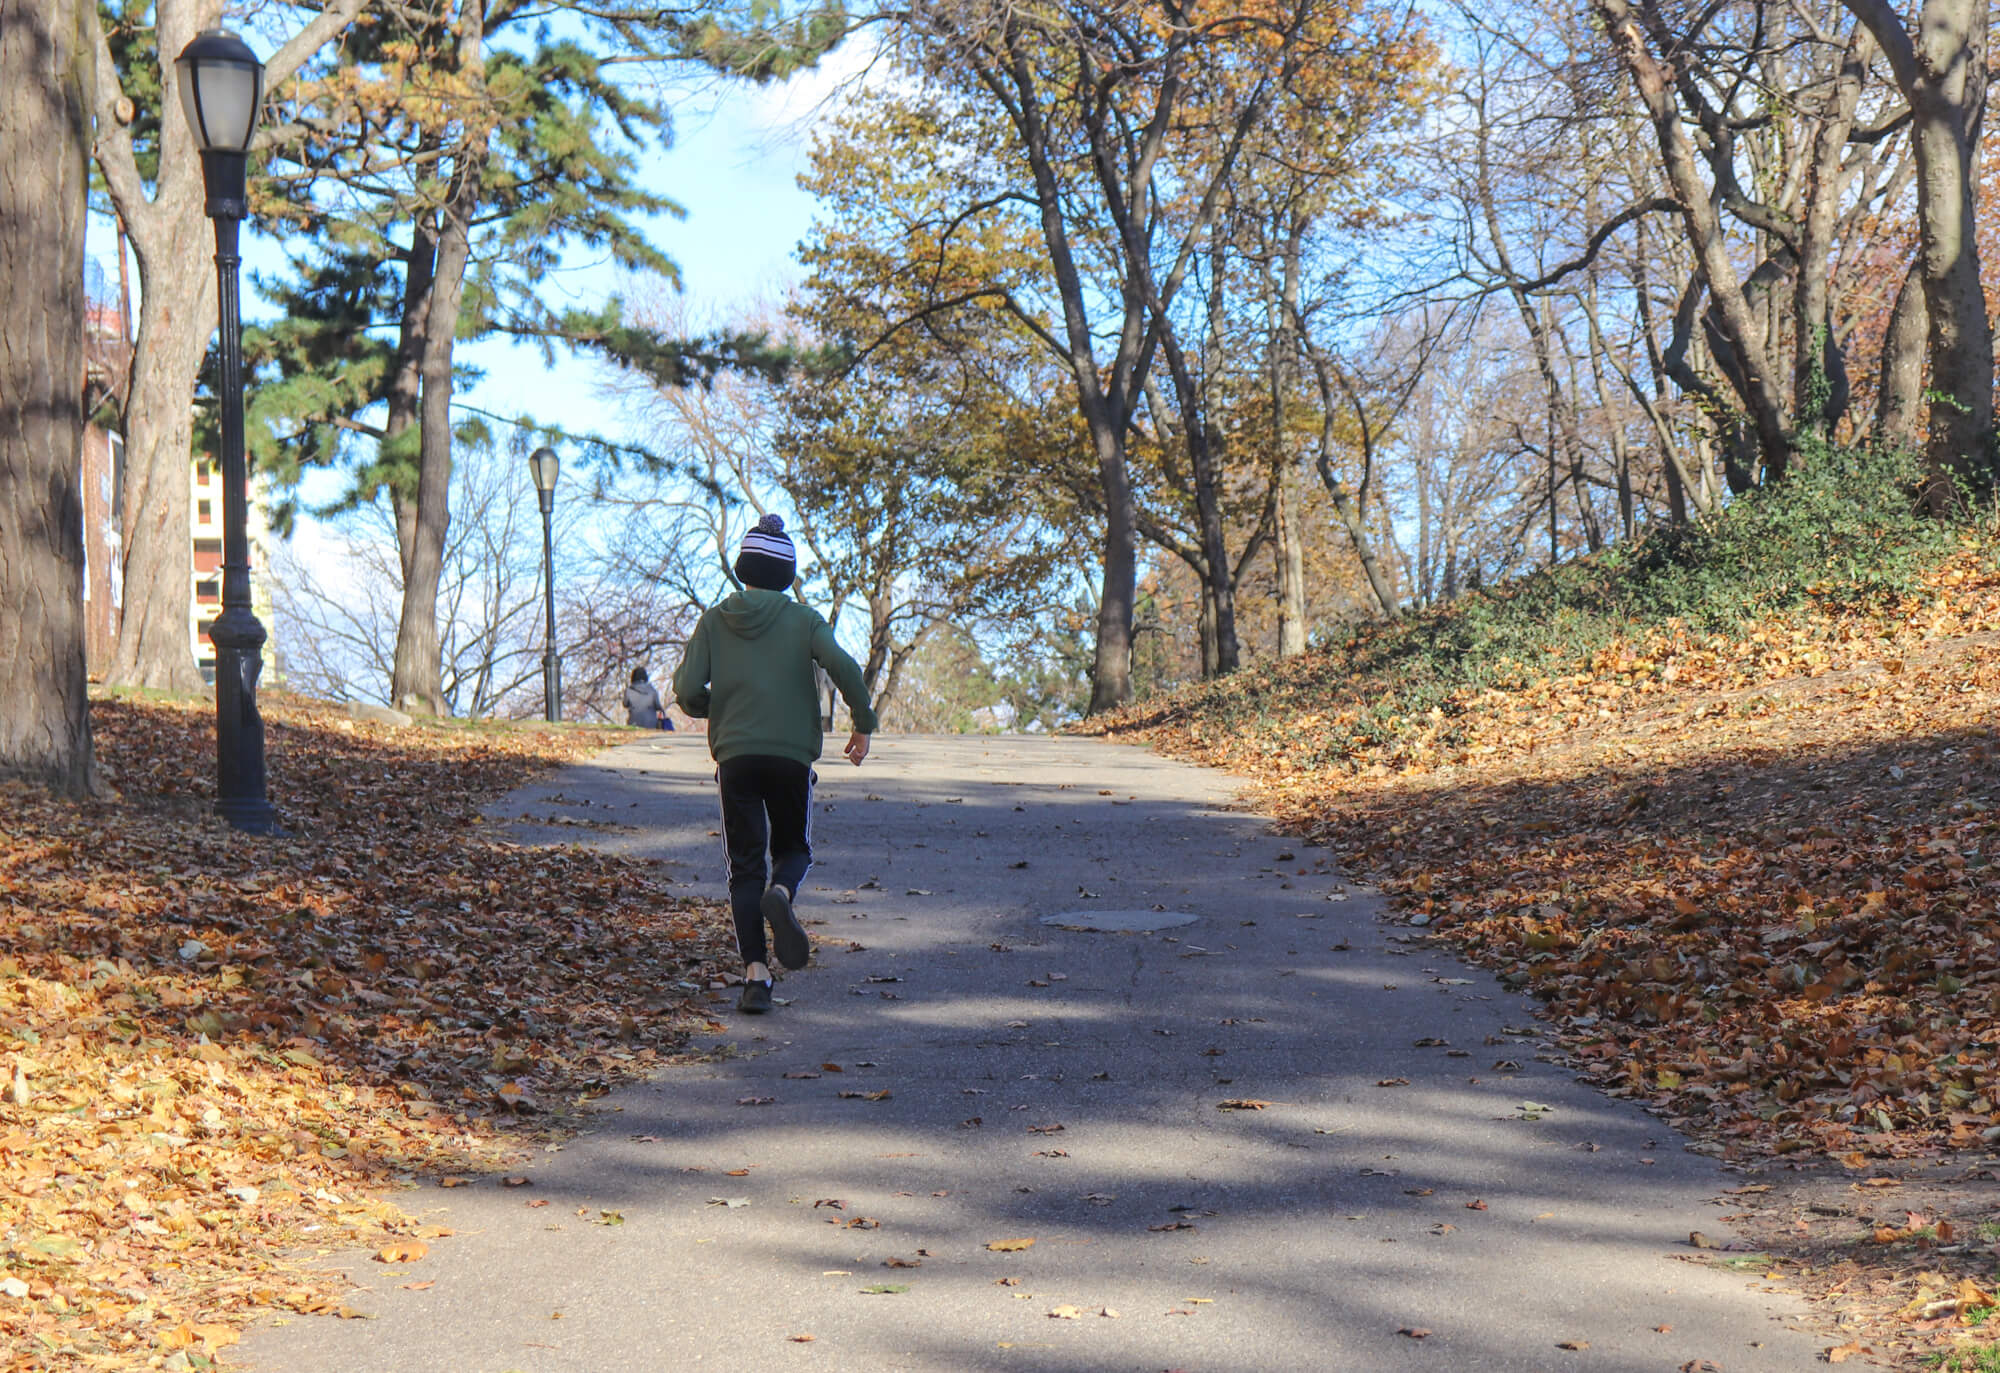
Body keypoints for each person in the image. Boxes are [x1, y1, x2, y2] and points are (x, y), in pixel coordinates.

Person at [673, 514, 877, 1014]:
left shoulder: (716, 619)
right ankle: (782, 892)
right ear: (787, 577)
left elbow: (683, 690)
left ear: (743, 569)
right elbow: (845, 666)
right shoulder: (804, 620)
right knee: (794, 849)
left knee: (743, 868)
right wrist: (862, 722)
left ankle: (756, 979)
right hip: (790, 757)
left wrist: (712, 708)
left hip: (737, 759)